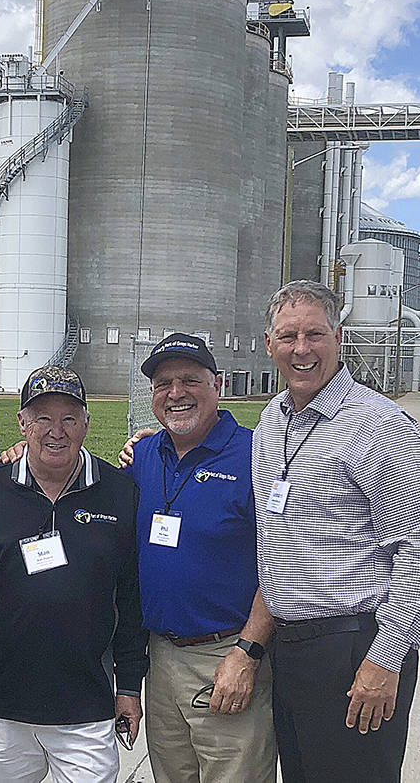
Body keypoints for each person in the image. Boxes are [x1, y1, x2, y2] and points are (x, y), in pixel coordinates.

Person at [256, 280, 420, 783]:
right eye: (288, 336)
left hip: (355, 651)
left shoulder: (378, 424)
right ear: (269, 344)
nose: (302, 349)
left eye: (314, 334)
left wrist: (385, 661)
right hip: (292, 650)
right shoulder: (270, 424)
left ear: (339, 338)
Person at [0, 365, 147, 783]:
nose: (57, 431)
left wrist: (129, 685)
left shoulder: (121, 493)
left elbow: (131, 600)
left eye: (69, 418)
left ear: (87, 423)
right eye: (43, 418)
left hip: (87, 708)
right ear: (22, 423)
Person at [122, 333, 276, 783]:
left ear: (218, 384)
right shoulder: (144, 454)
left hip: (227, 655)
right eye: (163, 383)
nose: (176, 393)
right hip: (160, 657)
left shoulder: (256, 454)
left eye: (190, 380)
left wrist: (247, 653)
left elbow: (281, 565)